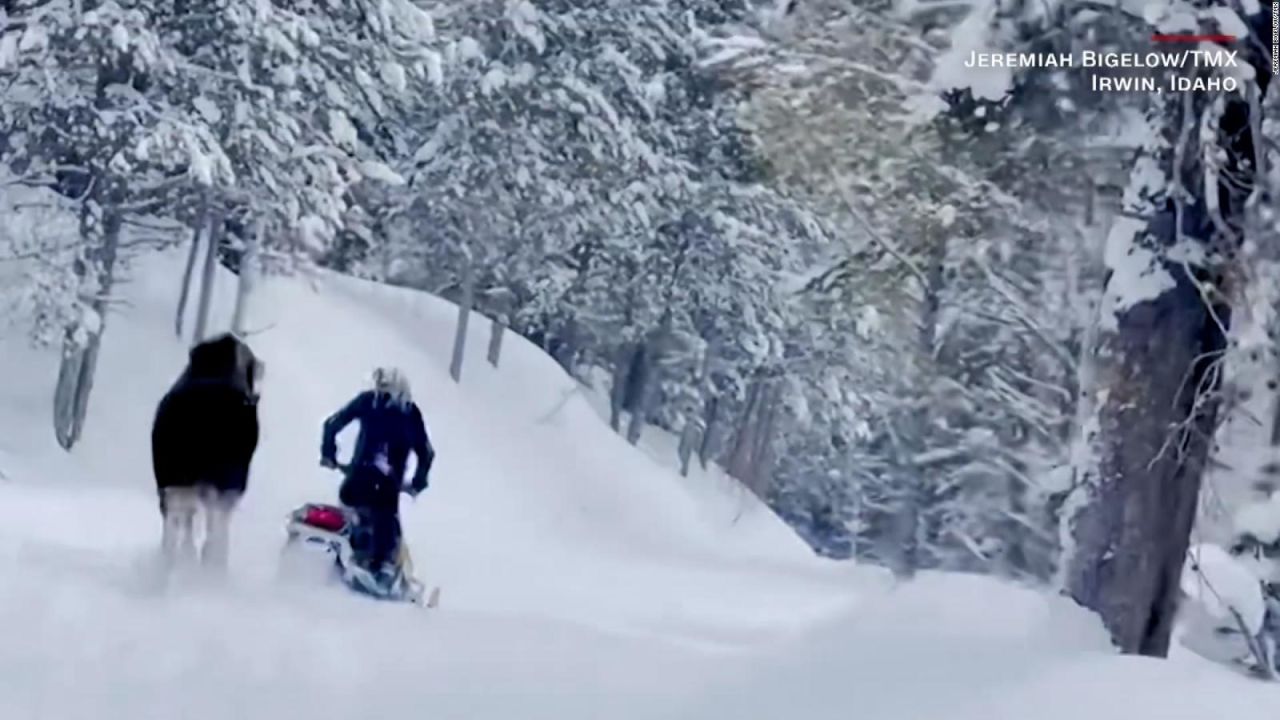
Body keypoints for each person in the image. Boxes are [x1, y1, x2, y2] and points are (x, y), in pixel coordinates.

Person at [320, 367, 434, 583]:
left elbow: (332, 424)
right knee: (388, 529)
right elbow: (426, 453)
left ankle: (338, 560)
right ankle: (381, 568)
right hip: (385, 490)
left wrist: (329, 455)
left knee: (349, 508)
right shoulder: (410, 412)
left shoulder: (368, 400)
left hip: (356, 481)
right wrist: (418, 482)